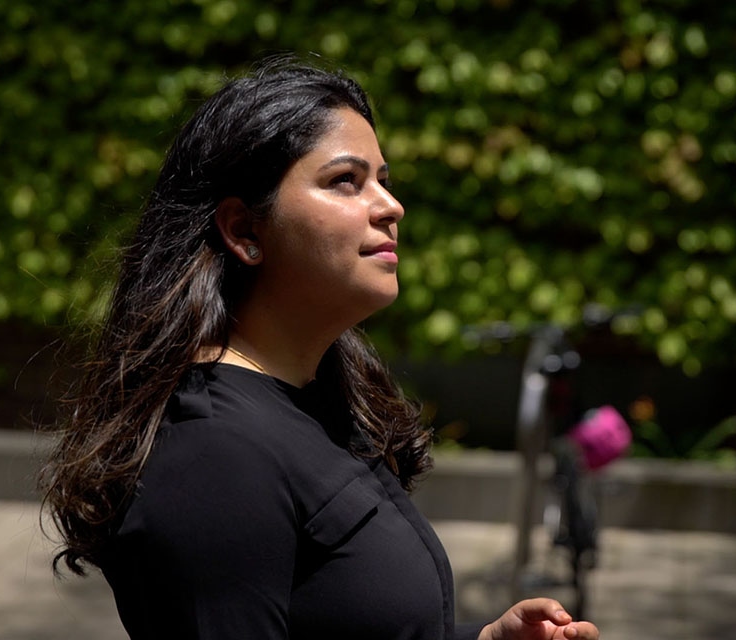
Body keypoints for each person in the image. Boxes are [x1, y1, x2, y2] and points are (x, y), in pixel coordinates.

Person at [41, 56, 599, 640]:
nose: (390, 205)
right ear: (245, 231)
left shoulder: (318, 399)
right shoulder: (214, 455)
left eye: (384, 179)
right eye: (345, 181)